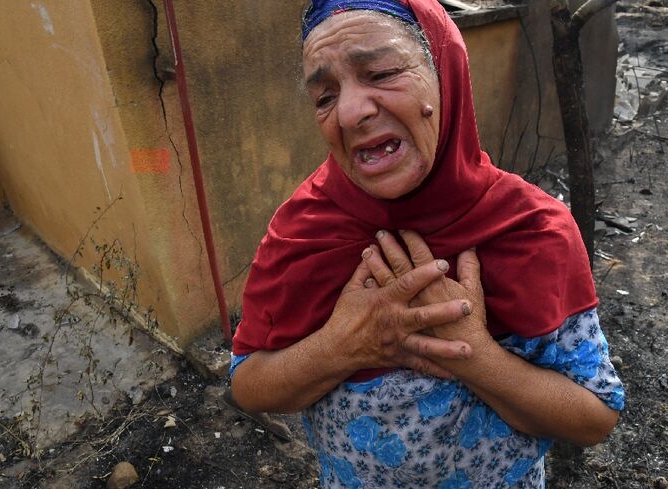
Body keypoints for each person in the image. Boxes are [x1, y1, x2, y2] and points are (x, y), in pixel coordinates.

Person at [230, 0, 624, 486]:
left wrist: (474, 353)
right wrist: (346, 345)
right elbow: (249, 385)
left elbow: (593, 417)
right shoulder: (304, 229)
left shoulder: (533, 228)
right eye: (324, 96)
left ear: (446, 72)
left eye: (380, 71)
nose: (351, 113)